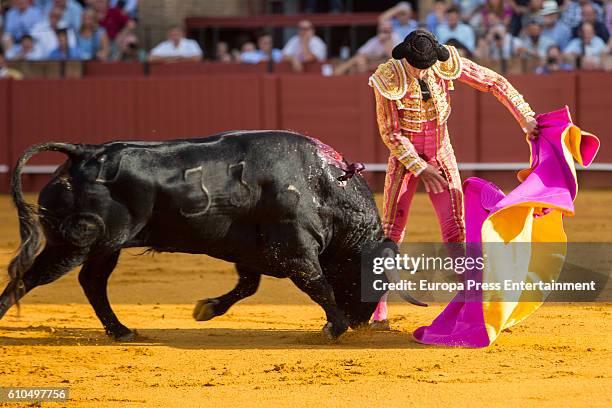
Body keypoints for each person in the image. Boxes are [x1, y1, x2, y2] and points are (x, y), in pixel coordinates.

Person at [368, 29, 537, 329]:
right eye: (417, 65)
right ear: (404, 57)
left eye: (428, 64)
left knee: (455, 229)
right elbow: (391, 133)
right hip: (406, 160)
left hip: (441, 153)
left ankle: (474, 302)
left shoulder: (444, 62)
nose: (423, 70)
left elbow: (494, 81)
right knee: (392, 231)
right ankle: (376, 307)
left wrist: (524, 116)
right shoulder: (387, 78)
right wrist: (419, 166)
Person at [334, 20, 401, 75]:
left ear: (391, 31)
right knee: (360, 61)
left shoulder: (395, 38)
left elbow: (393, 58)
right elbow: (360, 53)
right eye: (381, 31)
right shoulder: (375, 40)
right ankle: (343, 72)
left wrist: (387, 42)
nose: (383, 34)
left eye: (386, 31)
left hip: (390, 65)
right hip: (375, 62)